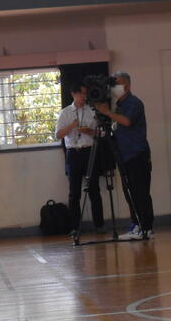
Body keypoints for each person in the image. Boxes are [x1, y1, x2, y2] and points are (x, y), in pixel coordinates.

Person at [93, 71, 154, 240]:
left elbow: (127, 121)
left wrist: (107, 112)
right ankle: (136, 224)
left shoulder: (134, 103)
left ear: (127, 86)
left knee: (140, 192)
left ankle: (146, 227)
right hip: (124, 155)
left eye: (117, 84)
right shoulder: (118, 105)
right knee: (130, 192)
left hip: (137, 153)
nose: (114, 88)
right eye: (112, 84)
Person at [55, 80, 104, 234]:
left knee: (94, 190)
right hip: (73, 154)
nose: (84, 96)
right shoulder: (65, 113)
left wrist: (88, 131)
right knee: (74, 193)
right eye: (81, 93)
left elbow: (101, 134)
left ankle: (99, 225)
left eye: (85, 93)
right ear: (73, 94)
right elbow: (58, 135)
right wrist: (72, 125)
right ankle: (75, 227)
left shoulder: (91, 110)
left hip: (89, 152)